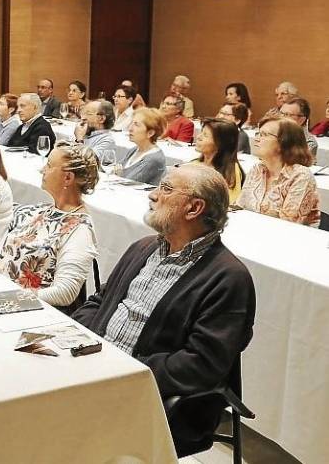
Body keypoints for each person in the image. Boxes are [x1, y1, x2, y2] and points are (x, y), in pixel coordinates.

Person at [73, 164, 256, 454]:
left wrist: (125, 368)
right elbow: (99, 301)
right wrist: (87, 345)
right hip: (96, 370)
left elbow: (202, 364)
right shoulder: (144, 248)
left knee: (53, 431)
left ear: (194, 208)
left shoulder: (228, 278)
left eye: (166, 189)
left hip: (155, 395)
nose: (153, 195)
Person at [0, 141, 99, 308]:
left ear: (68, 178)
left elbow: (65, 292)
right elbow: (5, 248)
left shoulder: (79, 230)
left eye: (49, 165)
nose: (42, 170)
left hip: (23, 307)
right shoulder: (40, 210)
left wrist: (12, 297)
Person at [236, 117, 320, 227]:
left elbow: (288, 225)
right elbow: (241, 207)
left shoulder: (300, 176)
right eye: (258, 134)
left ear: (284, 142)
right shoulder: (257, 169)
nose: (257, 139)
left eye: (264, 135)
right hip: (253, 231)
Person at [192, 118, 245, 203]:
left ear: (220, 143)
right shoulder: (193, 164)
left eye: (205, 135)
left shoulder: (230, 172)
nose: (198, 137)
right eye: (201, 132)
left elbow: (229, 203)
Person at [118, 107, 167, 185]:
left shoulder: (154, 159)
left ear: (150, 133)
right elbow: (115, 172)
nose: (130, 128)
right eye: (132, 123)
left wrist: (117, 174)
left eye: (136, 125)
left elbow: (127, 183)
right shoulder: (134, 150)